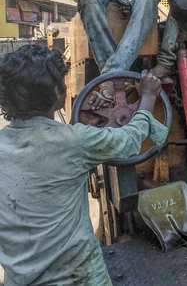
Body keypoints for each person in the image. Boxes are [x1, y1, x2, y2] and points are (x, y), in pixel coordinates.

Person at [0, 45, 168, 285]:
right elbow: (130, 140)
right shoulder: (76, 141)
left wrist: (75, 123)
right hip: (80, 278)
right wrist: (149, 96)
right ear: (57, 92)